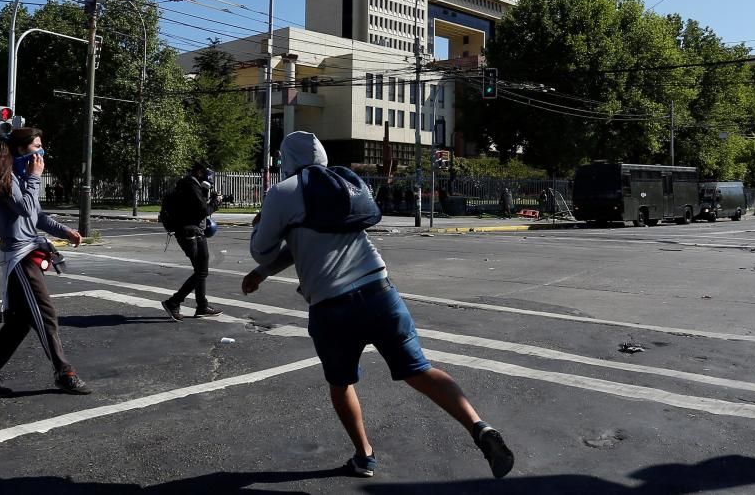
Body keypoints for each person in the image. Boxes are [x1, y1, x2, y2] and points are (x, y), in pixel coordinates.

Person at [244, 131, 514, 479]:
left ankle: (364, 456)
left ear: (286, 159)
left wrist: (260, 231)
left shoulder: (282, 193)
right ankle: (479, 427)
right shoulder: (341, 186)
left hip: (332, 306)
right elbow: (304, 243)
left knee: (341, 384)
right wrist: (263, 272)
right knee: (420, 370)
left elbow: (261, 247)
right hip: (380, 293)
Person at [0, 126, 90, 396]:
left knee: (20, 323)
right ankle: (64, 372)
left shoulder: (22, 178)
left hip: (29, 252)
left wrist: (65, 231)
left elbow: (36, 216)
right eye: (36, 146)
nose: (41, 151)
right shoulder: (7, 178)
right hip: (20, 259)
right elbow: (24, 208)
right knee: (46, 314)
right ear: (22, 149)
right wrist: (35, 178)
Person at [160, 160, 223, 321]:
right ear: (200, 172)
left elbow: (195, 208)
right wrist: (216, 202)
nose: (210, 177)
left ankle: (201, 306)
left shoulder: (187, 185)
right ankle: (174, 302)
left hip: (191, 232)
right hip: (190, 233)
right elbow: (203, 211)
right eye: (208, 173)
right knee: (201, 271)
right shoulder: (191, 186)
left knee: (200, 271)